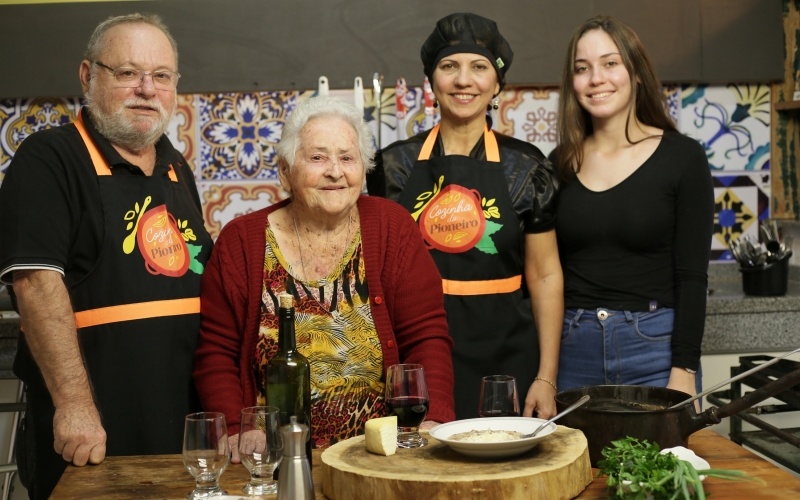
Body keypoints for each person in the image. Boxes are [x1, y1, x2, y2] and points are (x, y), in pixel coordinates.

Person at [0, 14, 211, 499]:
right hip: (96, 430)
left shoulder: (176, 167)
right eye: (126, 73)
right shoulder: (50, 159)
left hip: (180, 426)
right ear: (87, 76)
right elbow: (34, 283)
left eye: (161, 76)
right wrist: (74, 405)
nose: (146, 89)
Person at [194, 95, 455, 458]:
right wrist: (238, 428)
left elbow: (426, 334)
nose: (335, 170)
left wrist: (433, 416)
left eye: (348, 158)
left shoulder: (393, 227)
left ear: (363, 169)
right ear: (285, 171)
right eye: (317, 157)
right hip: (273, 452)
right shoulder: (240, 241)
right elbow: (217, 352)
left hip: (378, 452)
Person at [367, 13, 562, 420]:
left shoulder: (526, 167)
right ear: (432, 81)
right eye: (449, 66)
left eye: (479, 67)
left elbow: (544, 275)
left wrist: (546, 377)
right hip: (418, 357)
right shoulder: (393, 166)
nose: (463, 80)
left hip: (507, 359)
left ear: (496, 84)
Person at [551, 15, 713, 399]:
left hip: (656, 350)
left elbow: (692, 277)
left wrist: (684, 369)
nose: (596, 78)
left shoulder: (683, 157)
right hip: (573, 350)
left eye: (610, 63)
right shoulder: (558, 163)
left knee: (663, 460)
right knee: (576, 461)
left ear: (636, 72)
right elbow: (544, 276)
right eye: (582, 68)